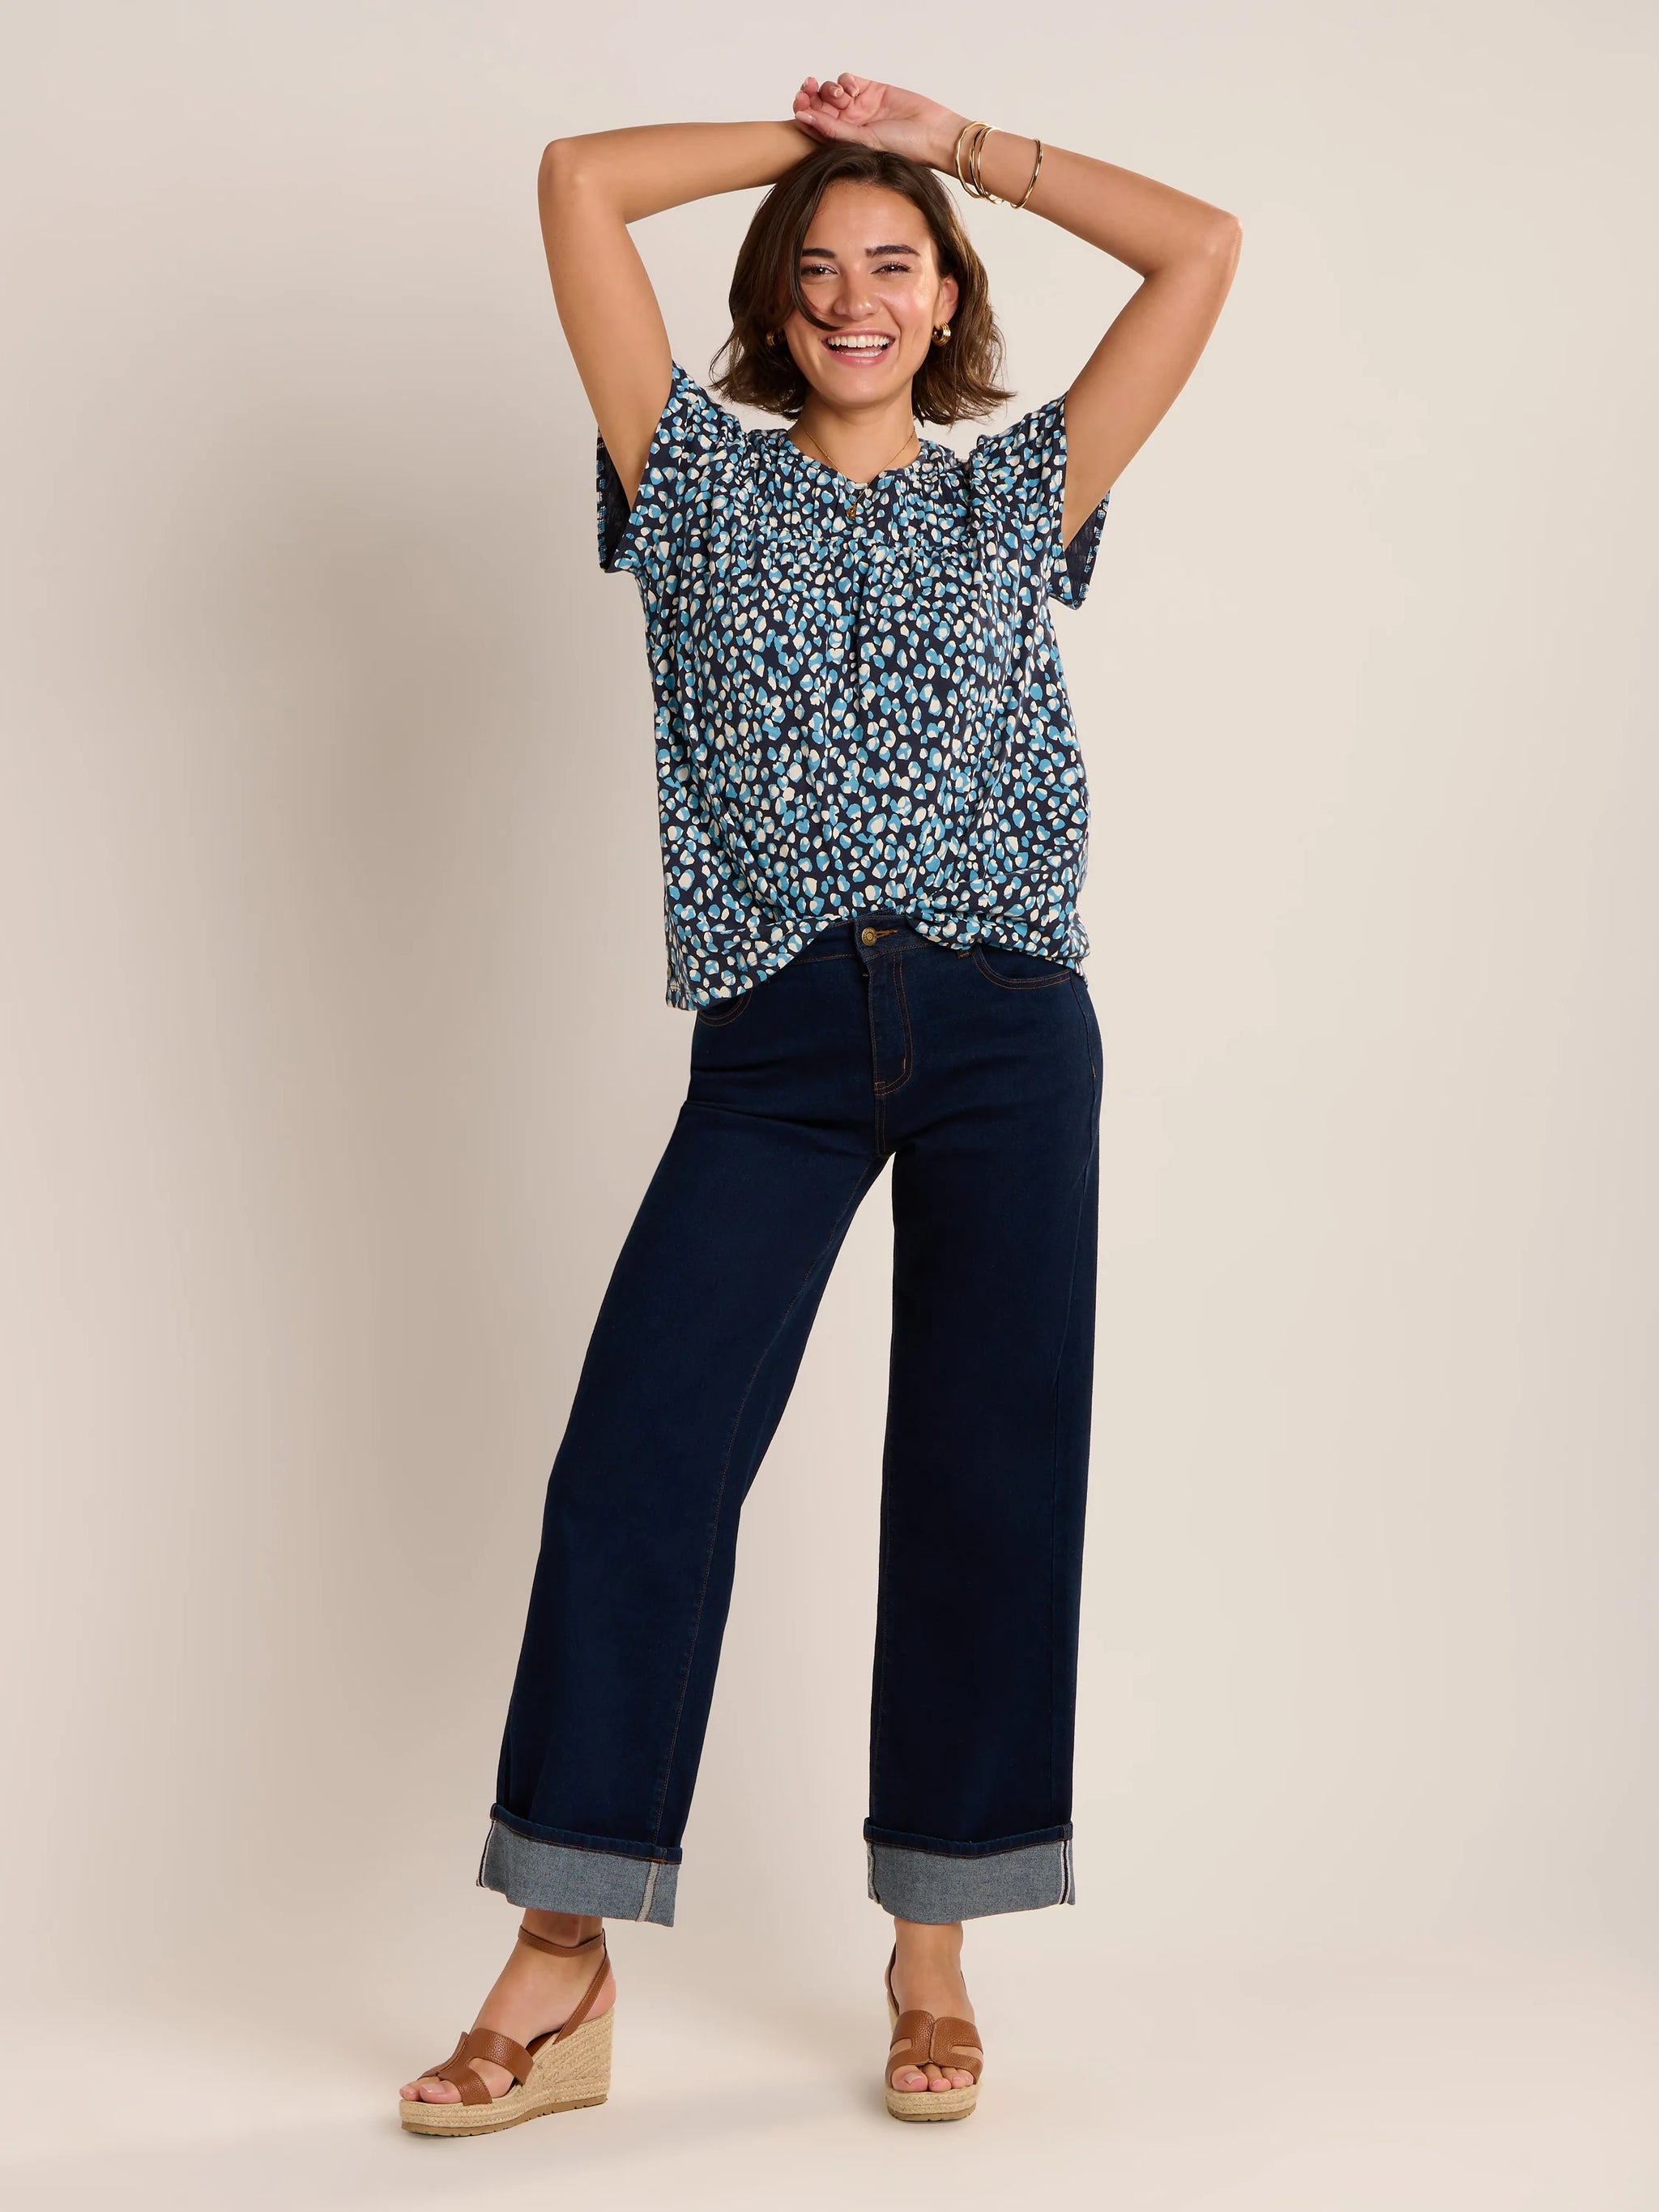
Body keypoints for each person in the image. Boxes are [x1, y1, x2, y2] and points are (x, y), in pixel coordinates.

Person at [398, 70, 1239, 2136]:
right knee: (639, 1459)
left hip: (1007, 1025)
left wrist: (947, 148)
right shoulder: (683, 471)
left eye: (895, 265)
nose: (858, 296)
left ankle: (933, 1944)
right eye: (820, 269)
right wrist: (820, 149)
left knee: (982, 1473)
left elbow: (1200, 250)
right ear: (774, 301)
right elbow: (578, 181)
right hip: (774, 1041)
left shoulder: (1017, 494)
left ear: (948, 295)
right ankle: (563, 1947)